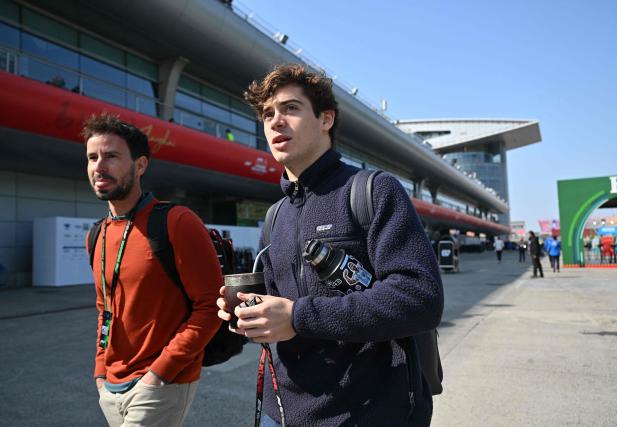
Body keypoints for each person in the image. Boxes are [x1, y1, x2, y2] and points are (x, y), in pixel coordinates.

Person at [217, 64, 444, 426]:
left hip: (372, 413)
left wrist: (297, 317)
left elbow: (420, 298)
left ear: (326, 119)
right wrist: (245, 315)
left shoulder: (374, 191)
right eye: (268, 114)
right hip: (283, 413)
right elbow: (278, 310)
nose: (276, 122)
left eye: (290, 108)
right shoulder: (275, 216)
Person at [83, 113, 222, 427]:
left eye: (111, 156)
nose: (99, 166)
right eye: (92, 157)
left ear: (140, 165)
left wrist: (159, 373)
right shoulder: (96, 235)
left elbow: (210, 305)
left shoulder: (177, 222)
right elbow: (105, 307)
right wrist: (100, 370)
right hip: (111, 385)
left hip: (161, 384)